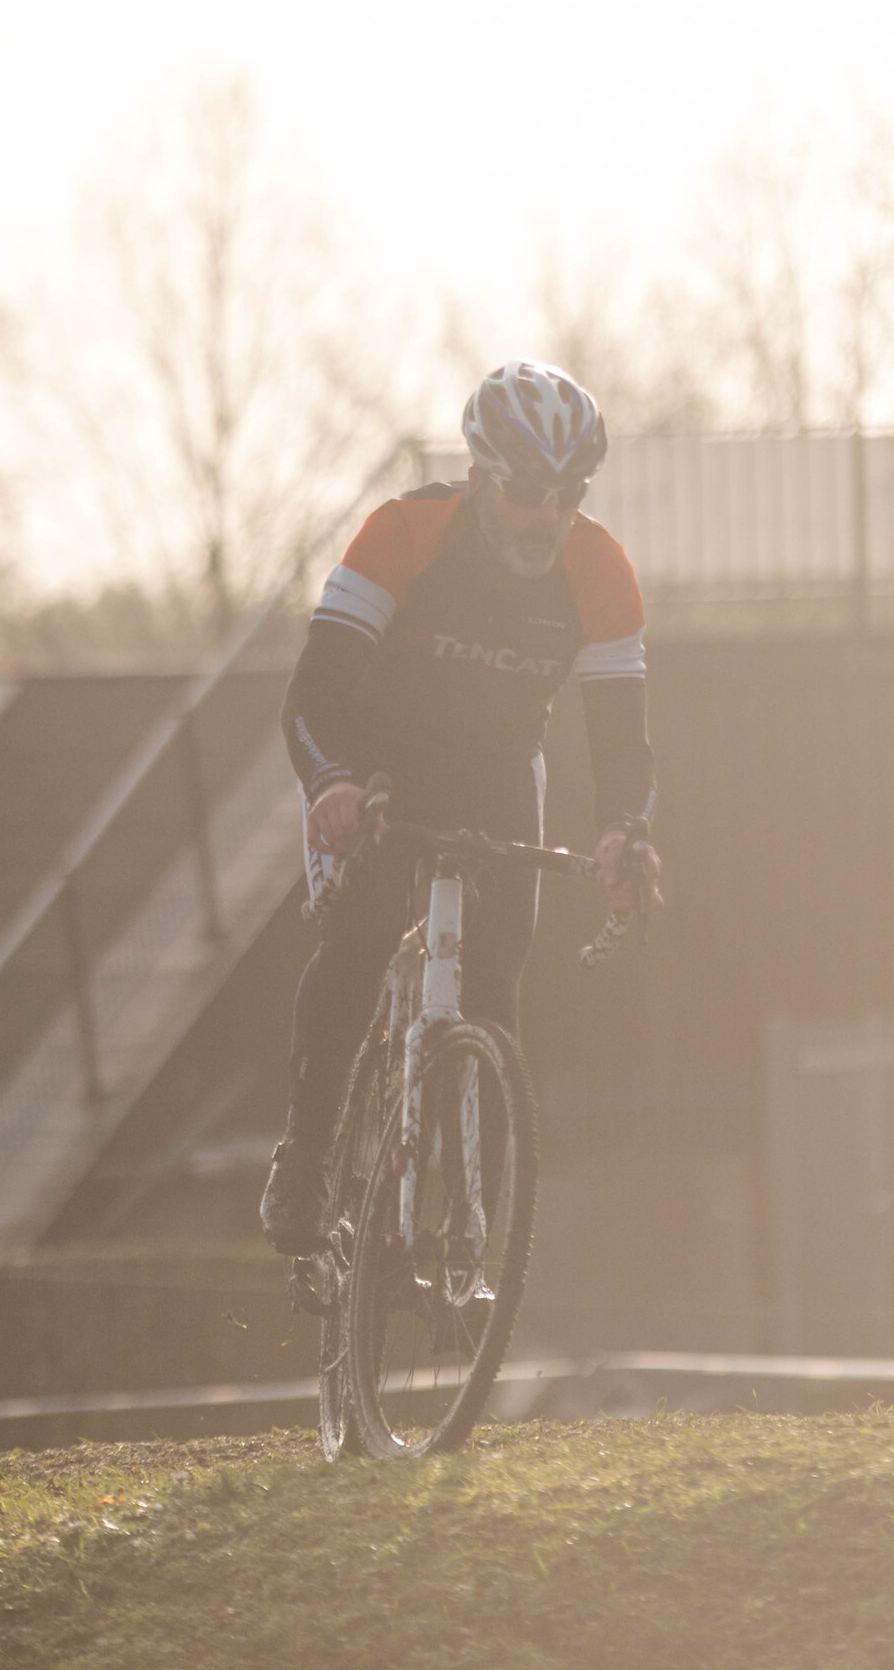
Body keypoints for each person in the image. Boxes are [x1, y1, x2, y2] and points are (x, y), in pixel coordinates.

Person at [260, 360, 662, 1256]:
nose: (546, 514)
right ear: (480, 478)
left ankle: (462, 1204)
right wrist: (333, 782)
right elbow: (312, 695)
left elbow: (621, 743)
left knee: (492, 981)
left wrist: (624, 834)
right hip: (376, 765)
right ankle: (310, 1154)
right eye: (525, 491)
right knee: (361, 938)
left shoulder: (599, 570)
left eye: (568, 492)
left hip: (495, 769)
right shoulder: (404, 535)